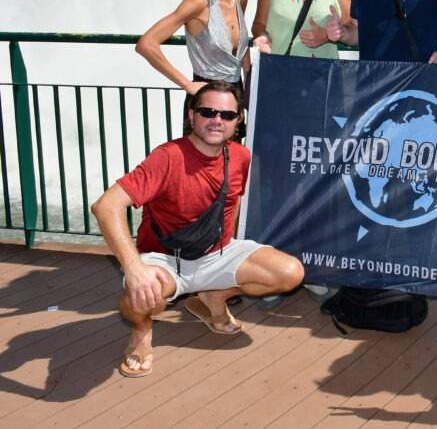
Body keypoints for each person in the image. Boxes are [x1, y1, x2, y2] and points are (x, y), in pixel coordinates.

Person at [91, 82, 304, 378]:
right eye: (208, 112)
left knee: (290, 273)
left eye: (227, 115)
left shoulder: (240, 156)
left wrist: (227, 255)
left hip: (217, 254)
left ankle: (213, 295)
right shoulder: (168, 157)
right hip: (166, 259)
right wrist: (134, 268)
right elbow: (106, 206)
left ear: (237, 121)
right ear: (192, 116)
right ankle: (141, 331)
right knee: (138, 294)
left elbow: (233, 202)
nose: (217, 120)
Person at [136, 0, 249, 131]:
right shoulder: (198, 4)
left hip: (235, 99)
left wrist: (249, 87)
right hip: (207, 104)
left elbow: (238, 49)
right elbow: (146, 44)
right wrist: (187, 85)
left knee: (232, 160)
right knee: (201, 161)